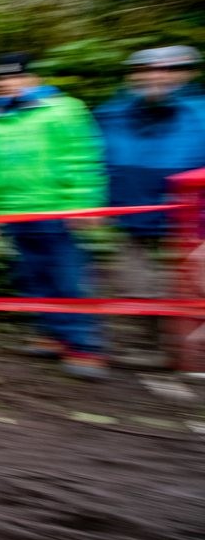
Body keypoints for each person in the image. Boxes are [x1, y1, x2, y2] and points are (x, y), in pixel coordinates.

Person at [0, 52, 108, 380]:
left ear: (32, 78)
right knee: (29, 277)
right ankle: (50, 333)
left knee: (68, 278)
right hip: (12, 213)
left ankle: (84, 346)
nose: (7, 84)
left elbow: (81, 159)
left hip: (57, 211)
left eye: (15, 77)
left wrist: (84, 204)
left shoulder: (64, 110)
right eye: (0, 79)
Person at [96, 45, 205, 368]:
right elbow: (95, 160)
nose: (158, 76)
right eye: (147, 70)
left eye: (169, 70)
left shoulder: (200, 111)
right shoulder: (110, 113)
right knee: (134, 283)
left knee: (195, 284)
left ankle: (191, 352)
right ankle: (145, 346)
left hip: (193, 218)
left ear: (188, 73)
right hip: (131, 213)